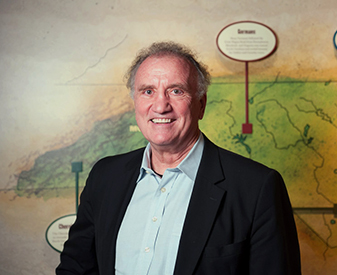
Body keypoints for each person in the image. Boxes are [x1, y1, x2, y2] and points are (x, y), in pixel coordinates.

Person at [56, 41, 301, 275]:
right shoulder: (105, 176)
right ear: (135, 103)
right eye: (148, 91)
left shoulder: (257, 187)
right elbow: (76, 268)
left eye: (176, 91)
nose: (160, 106)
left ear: (201, 104)